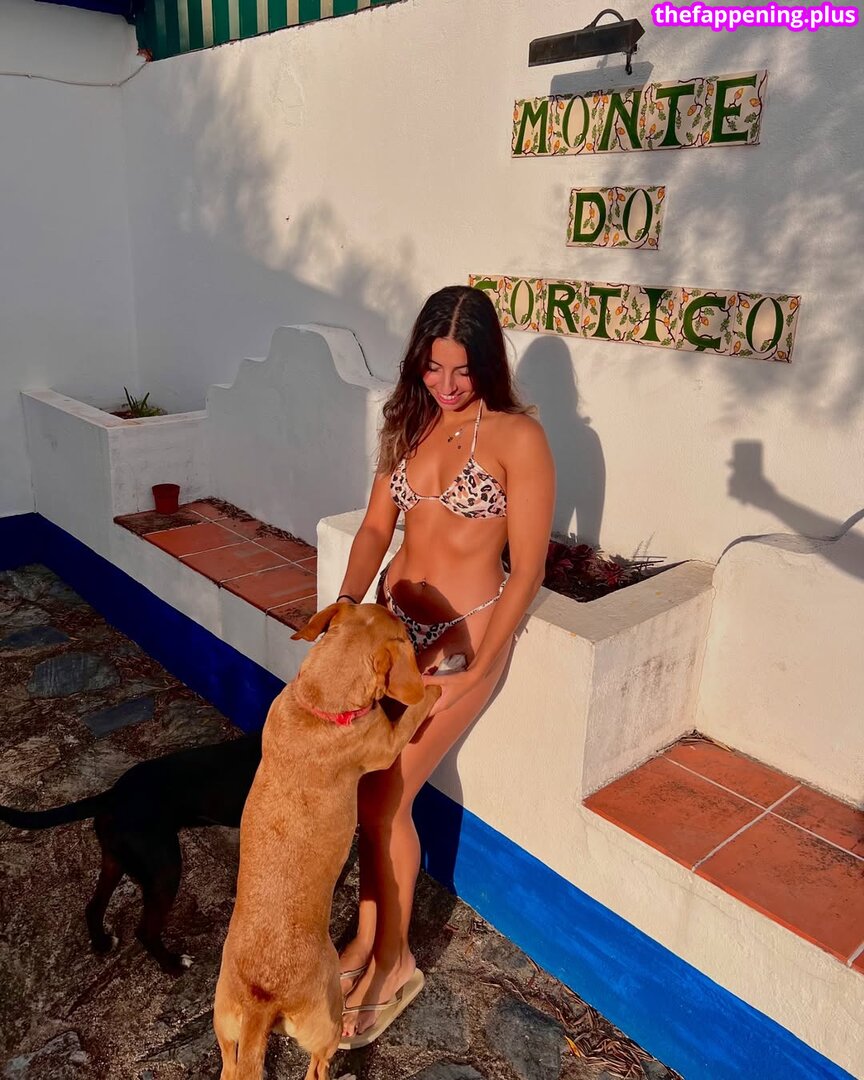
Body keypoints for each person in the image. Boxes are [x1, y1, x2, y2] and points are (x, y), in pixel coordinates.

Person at [335, 284, 555, 1046]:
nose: (447, 384)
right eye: (434, 367)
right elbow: (375, 527)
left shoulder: (518, 438)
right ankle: (367, 939)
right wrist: (346, 610)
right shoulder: (409, 419)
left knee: (385, 797)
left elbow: (527, 569)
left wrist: (481, 666)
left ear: (487, 363)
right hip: (394, 632)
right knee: (366, 792)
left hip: (461, 642)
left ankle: (395, 965)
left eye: (462, 369)